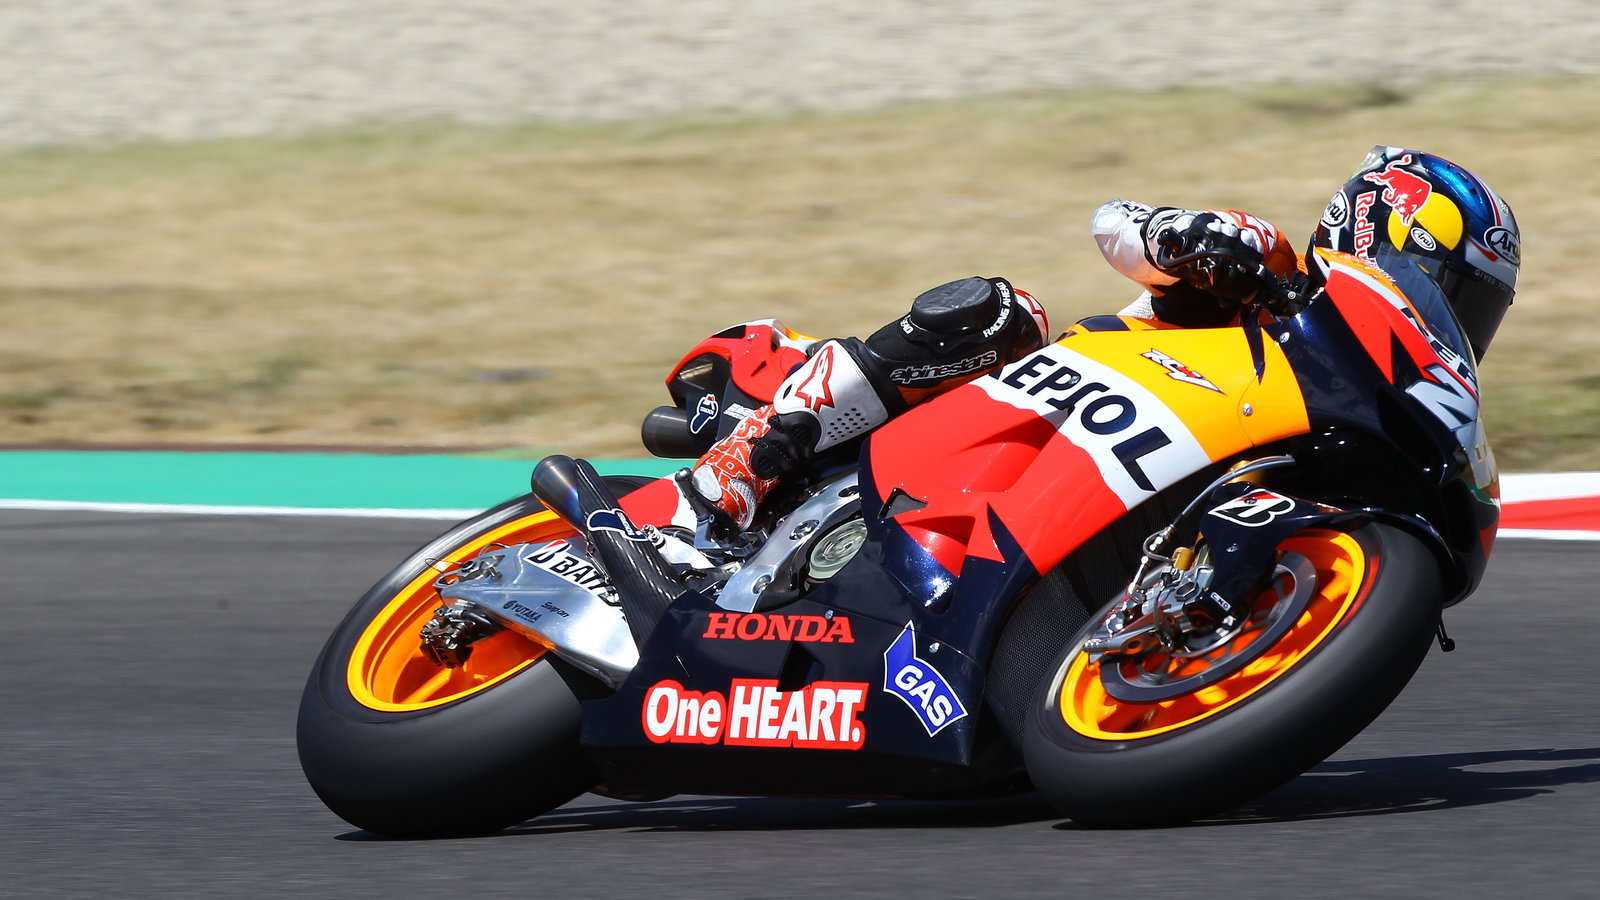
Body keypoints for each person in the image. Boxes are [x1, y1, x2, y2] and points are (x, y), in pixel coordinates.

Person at [686, 145, 1520, 529]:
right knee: (1002, 313)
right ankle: (757, 448)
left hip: (1098, 496)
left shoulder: (1360, 403)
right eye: (1454, 287)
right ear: (1379, 232)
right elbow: (1113, 225)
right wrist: (1181, 238)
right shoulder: (1267, 264)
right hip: (1048, 412)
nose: (1457, 318)